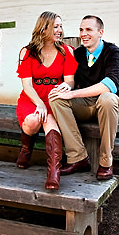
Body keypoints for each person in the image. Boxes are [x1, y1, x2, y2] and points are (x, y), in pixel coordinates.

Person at [48, 15, 119, 181]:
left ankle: (106, 162)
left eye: (89, 29)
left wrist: (73, 93)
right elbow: (71, 80)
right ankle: (78, 157)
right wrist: (65, 87)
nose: (84, 34)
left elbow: (110, 85)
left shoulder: (112, 51)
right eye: (81, 30)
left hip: (110, 104)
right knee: (56, 98)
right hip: (87, 104)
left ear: (100, 32)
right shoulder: (78, 54)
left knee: (106, 98)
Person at [15, 11, 77, 190]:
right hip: (32, 98)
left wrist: (67, 86)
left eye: (60, 26)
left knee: (49, 121)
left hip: (55, 98)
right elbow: (27, 85)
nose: (60, 30)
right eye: (55, 26)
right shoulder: (27, 52)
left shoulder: (67, 51)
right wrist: (39, 103)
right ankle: (26, 150)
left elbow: (70, 80)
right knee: (34, 120)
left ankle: (54, 172)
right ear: (44, 29)